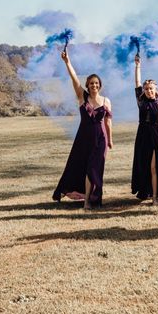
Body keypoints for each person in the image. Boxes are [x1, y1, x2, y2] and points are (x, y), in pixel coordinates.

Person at [53, 49, 113, 209]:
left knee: (95, 169)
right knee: (81, 167)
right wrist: (67, 62)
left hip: (100, 139)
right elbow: (74, 79)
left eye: (96, 83)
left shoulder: (106, 101)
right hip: (83, 138)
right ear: (87, 85)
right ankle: (86, 200)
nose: (94, 85)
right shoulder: (82, 97)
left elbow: (108, 122)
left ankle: (90, 200)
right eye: (91, 83)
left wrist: (110, 140)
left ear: (100, 86)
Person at [131, 54, 158, 204]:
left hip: (156, 136)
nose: (148, 91)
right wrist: (138, 65)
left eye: (151, 88)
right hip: (142, 135)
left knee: (154, 167)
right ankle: (145, 191)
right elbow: (137, 82)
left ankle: (154, 197)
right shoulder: (141, 101)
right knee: (143, 165)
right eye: (146, 89)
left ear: (155, 89)